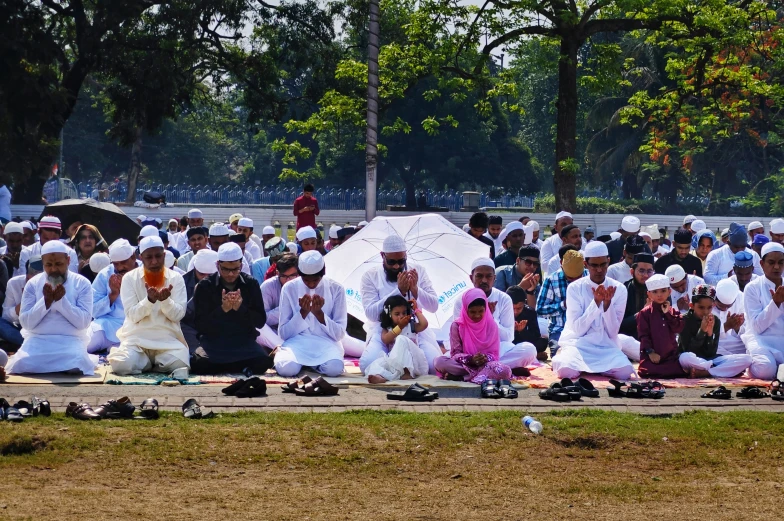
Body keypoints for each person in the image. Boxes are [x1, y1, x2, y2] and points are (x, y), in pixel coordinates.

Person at [5, 241, 95, 375]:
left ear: (68, 260)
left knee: (78, 363)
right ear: (43, 263)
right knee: (20, 363)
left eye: (58, 264)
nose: (53, 269)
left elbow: (84, 323)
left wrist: (61, 302)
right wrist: (45, 302)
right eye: (49, 265)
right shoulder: (33, 284)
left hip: (70, 341)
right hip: (37, 341)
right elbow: (26, 323)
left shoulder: (82, 283)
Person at [551, 241, 635, 381]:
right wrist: (596, 304)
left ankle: (593, 369)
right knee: (565, 371)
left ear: (608, 261)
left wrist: (607, 305)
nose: (599, 270)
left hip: (606, 346)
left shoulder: (619, 289)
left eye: (603, 264)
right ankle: (566, 355)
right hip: (578, 345)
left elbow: (613, 332)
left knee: (625, 372)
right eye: (594, 265)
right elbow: (577, 330)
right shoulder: (575, 288)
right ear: (586, 264)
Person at [107, 236, 189, 376]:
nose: (154, 261)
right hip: (136, 340)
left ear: (164, 255)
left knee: (181, 363)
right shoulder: (129, 278)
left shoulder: (176, 278)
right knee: (120, 365)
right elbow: (132, 315)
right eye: (149, 257)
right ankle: (148, 362)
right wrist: (149, 300)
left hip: (167, 340)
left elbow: (178, 315)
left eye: (158, 256)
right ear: (141, 257)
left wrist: (166, 301)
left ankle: (148, 363)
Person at [359, 235, 442, 372]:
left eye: (401, 261)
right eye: (391, 262)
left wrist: (416, 289)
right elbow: (371, 314)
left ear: (406, 256)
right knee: (367, 365)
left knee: (434, 367)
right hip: (384, 329)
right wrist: (399, 291)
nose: (397, 266)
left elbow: (433, 307)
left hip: (415, 329)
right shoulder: (370, 276)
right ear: (382, 256)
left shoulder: (418, 271)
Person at [190, 243, 272, 375]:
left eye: (235, 269)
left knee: (264, 362)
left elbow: (260, 321)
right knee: (199, 363)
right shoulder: (205, 286)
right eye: (226, 269)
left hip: (243, 342)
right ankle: (241, 367)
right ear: (218, 265)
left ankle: (226, 367)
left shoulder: (251, 284)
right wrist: (223, 309)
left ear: (241, 265)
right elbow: (200, 325)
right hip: (214, 342)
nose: (230, 274)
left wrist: (241, 309)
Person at [454, 258, 537, 374]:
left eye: (488, 276)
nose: (484, 280)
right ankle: (496, 368)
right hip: (470, 351)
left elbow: (508, 337)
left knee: (529, 350)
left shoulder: (504, 299)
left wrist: (490, 319)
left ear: (494, 278)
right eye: (479, 276)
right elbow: (459, 335)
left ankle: (475, 370)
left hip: (496, 349)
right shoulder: (462, 300)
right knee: (441, 360)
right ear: (471, 278)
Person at [275, 250, 346, 377]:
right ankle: (304, 364)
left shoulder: (336, 289)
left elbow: (339, 334)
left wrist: (319, 315)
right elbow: (284, 333)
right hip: (297, 342)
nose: (311, 284)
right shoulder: (289, 288)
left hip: (326, 342)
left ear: (323, 273)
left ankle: (312, 365)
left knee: (334, 369)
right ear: (300, 275)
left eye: (315, 280)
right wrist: (303, 312)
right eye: (306, 280)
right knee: (286, 369)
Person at [434, 289, 512, 384]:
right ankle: (478, 376)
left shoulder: (491, 325)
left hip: (486, 364)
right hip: (464, 364)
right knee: (439, 362)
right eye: (472, 312)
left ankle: (463, 378)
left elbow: (494, 354)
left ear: (486, 309)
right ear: (466, 310)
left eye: (481, 311)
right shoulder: (457, 325)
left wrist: (483, 358)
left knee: (504, 370)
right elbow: (455, 354)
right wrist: (471, 359)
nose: (477, 315)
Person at [679, 284, 752, 378]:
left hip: (710, 359)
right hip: (692, 360)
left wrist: (709, 335)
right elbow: (689, 350)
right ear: (692, 306)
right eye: (701, 307)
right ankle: (717, 369)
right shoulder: (684, 320)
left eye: (709, 307)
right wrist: (701, 331)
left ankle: (706, 372)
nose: (705, 312)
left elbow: (711, 353)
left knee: (747, 359)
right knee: (685, 357)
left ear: (713, 306)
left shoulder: (715, 321)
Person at [362, 295, 430, 383]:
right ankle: (381, 376)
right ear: (389, 315)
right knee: (378, 362)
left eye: (404, 313)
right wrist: (399, 327)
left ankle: (407, 372)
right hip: (396, 363)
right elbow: (385, 339)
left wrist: (416, 310)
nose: (401, 316)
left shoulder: (412, 326)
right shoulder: (388, 328)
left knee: (401, 339)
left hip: (416, 363)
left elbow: (424, 324)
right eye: (397, 314)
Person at [741, 242, 784, 379]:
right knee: (765, 369)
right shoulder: (752, 288)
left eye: (781, 262)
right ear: (761, 263)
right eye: (771, 262)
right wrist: (775, 303)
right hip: (761, 340)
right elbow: (757, 327)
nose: (776, 267)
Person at [88, 239, 137, 354]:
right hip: (109, 324)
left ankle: (115, 348)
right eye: (116, 264)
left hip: (137, 328)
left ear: (133, 257)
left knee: (125, 357)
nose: (120, 268)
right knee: (85, 345)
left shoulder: (144, 272)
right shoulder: (105, 274)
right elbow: (93, 311)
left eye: (123, 262)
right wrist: (113, 295)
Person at [536, 249, 586, 353]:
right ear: (561, 265)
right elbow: (540, 309)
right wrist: (563, 304)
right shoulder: (551, 280)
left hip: (587, 331)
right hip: (559, 329)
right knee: (560, 356)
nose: (574, 282)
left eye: (578, 278)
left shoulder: (589, 276)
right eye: (570, 278)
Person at [637, 274, 686, 378]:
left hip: (670, 356)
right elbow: (643, 335)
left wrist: (667, 313)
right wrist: (650, 352)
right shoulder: (645, 313)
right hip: (652, 356)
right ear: (649, 294)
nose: (659, 295)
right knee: (647, 371)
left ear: (669, 292)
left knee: (676, 370)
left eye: (663, 291)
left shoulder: (673, 311)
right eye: (655, 292)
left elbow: (678, 328)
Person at [257, 253, 297, 350]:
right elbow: (262, 319)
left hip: (298, 331)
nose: (288, 280)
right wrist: (286, 309)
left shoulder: (303, 284)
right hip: (275, 333)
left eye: (292, 276)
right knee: (257, 327)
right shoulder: (267, 286)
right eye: (284, 276)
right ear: (277, 273)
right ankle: (285, 349)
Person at [181, 249, 218, 353]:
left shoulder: (225, 280)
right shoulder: (182, 282)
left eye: (209, 275)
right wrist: (196, 297)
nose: (205, 279)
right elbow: (180, 316)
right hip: (190, 330)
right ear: (195, 270)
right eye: (202, 274)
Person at [0, 256, 42, 349]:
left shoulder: (54, 285)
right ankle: (32, 344)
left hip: (45, 330)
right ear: (27, 276)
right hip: (21, 328)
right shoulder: (15, 283)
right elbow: (6, 316)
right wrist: (22, 306)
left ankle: (31, 344)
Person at [506, 286, 548, 361]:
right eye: (512, 308)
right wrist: (512, 330)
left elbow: (536, 336)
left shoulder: (530, 312)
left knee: (543, 342)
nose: (515, 312)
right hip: (509, 343)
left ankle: (528, 355)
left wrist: (522, 331)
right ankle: (533, 355)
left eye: (519, 308)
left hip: (524, 343)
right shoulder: (502, 312)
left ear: (524, 303)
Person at [619, 252, 655, 340]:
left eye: (649, 271)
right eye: (641, 271)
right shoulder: (623, 291)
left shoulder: (659, 290)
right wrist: (641, 314)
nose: (646, 275)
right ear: (632, 271)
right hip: (629, 340)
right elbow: (618, 326)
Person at [713, 279, 747, 357]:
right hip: (714, 341)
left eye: (728, 306)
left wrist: (737, 328)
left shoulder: (741, 298)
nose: (725, 309)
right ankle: (735, 361)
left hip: (734, 343)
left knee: (750, 346)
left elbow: (748, 330)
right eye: (721, 306)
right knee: (708, 346)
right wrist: (726, 326)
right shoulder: (707, 298)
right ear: (715, 299)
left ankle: (731, 360)